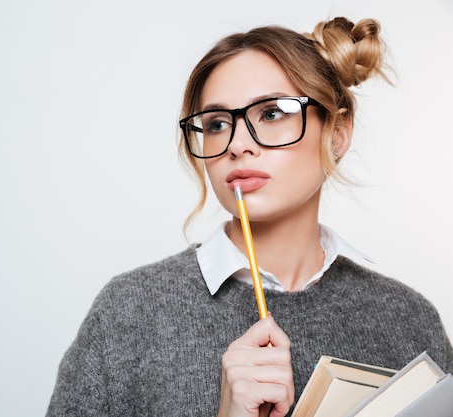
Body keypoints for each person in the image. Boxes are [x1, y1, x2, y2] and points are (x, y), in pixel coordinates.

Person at [45, 16, 453, 417]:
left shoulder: (409, 320)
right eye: (217, 123)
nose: (238, 144)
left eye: (272, 113)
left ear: (338, 132)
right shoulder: (129, 312)